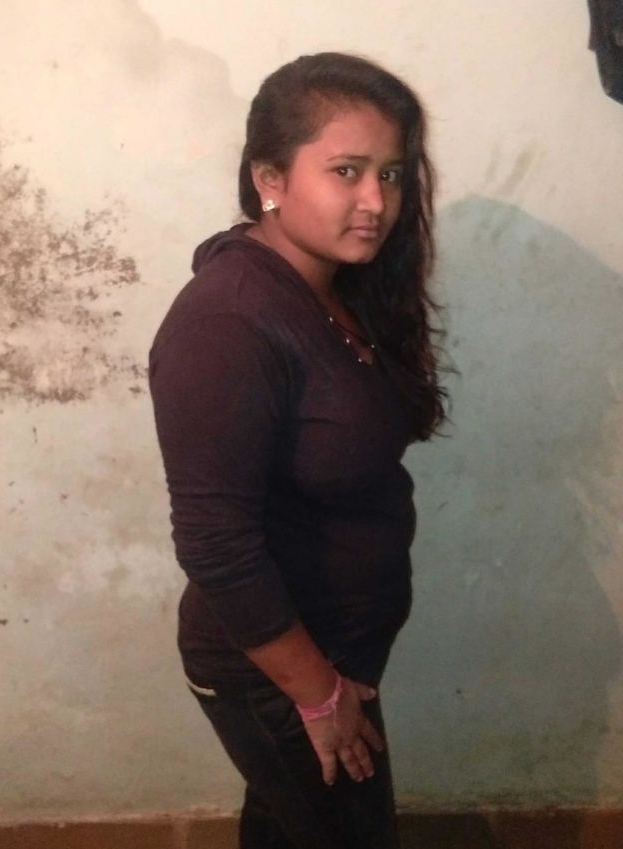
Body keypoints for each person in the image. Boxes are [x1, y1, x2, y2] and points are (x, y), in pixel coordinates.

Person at [149, 51, 446, 849]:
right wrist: (319, 695)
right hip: (278, 670)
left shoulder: (326, 284)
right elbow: (215, 544)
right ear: (269, 178)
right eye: (346, 171)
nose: (376, 201)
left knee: (287, 827)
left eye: (390, 174)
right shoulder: (227, 324)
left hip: (335, 646)